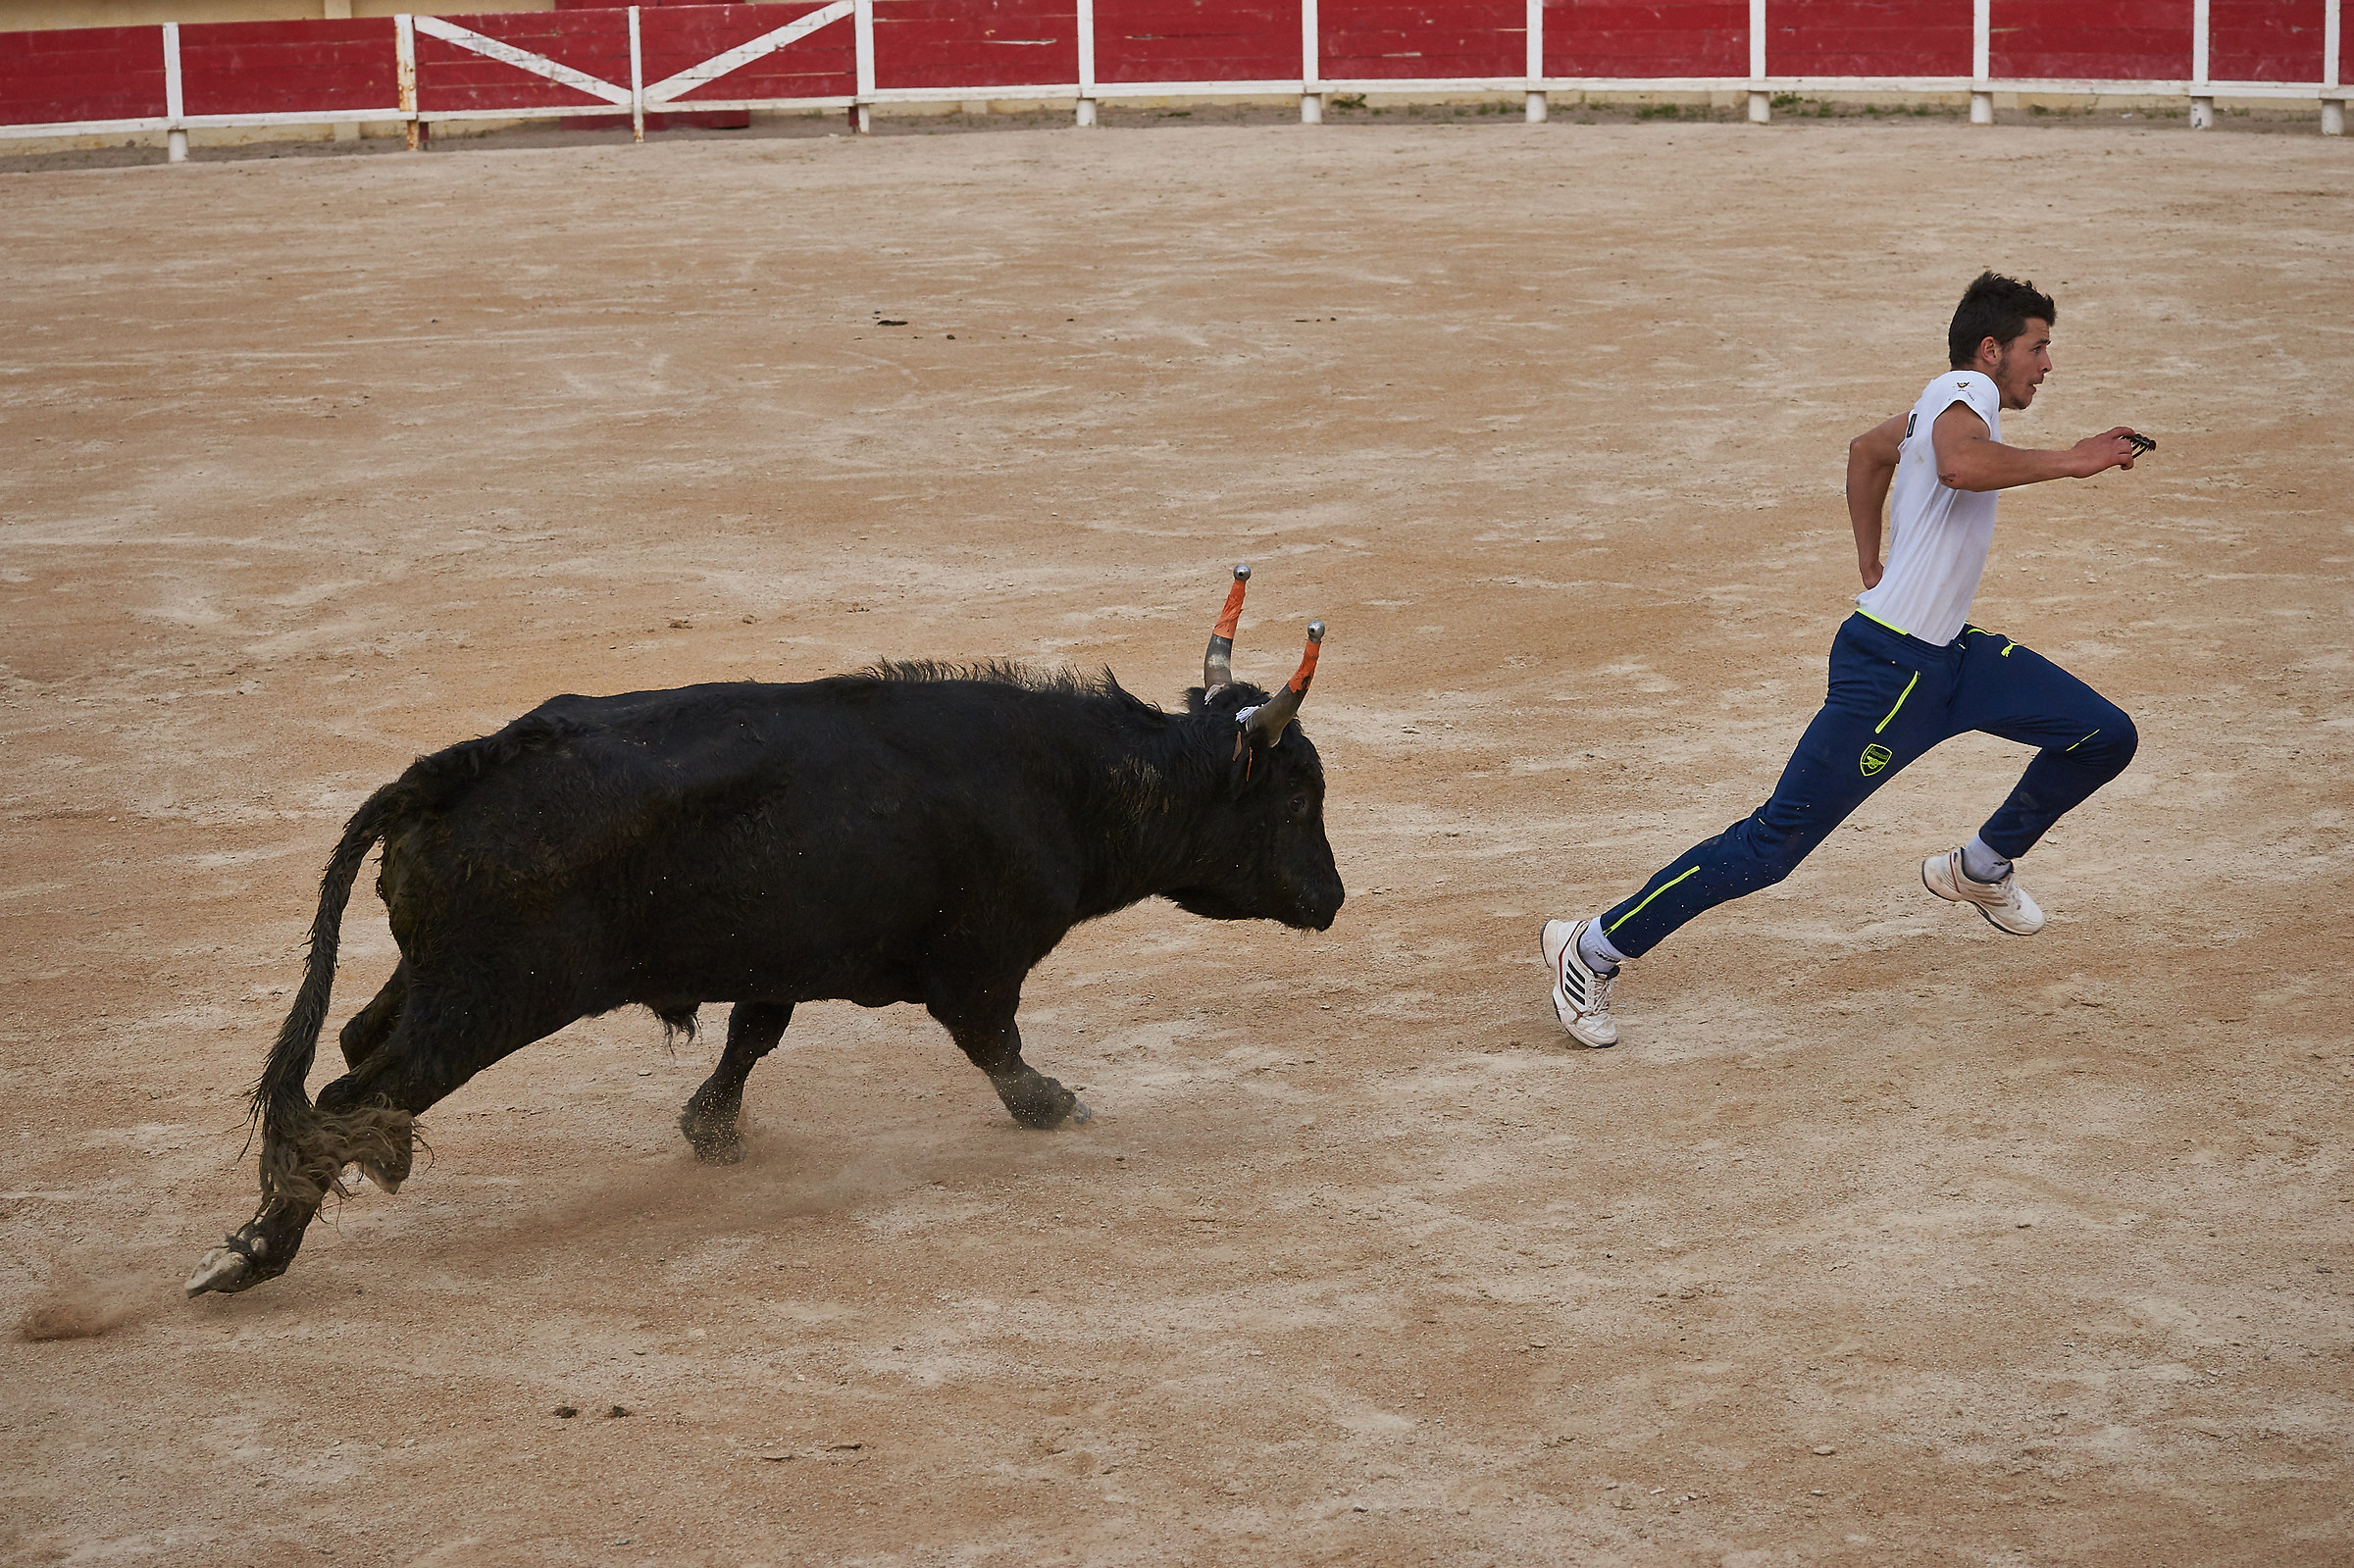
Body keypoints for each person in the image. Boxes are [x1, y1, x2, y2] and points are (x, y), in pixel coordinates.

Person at [1543, 272, 2145, 1048]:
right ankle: (1590, 944)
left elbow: (1866, 452)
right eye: (2038, 347)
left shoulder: (1943, 402)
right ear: (1991, 351)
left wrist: (1873, 559)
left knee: (2104, 734)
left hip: (1953, 657)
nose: (2048, 364)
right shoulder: (1964, 389)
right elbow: (1960, 466)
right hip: (1892, 675)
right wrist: (2075, 459)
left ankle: (1982, 865)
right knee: (1773, 844)